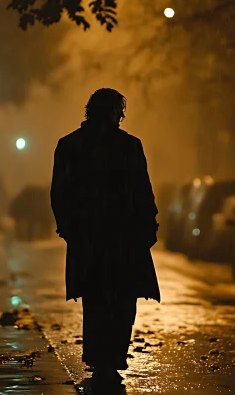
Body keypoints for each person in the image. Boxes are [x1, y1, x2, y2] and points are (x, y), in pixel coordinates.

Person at [50, 88, 160, 385]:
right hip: (125, 239)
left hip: (89, 238)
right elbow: (143, 191)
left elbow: (60, 193)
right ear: (112, 112)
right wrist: (148, 228)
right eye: (119, 112)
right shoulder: (129, 146)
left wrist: (69, 229)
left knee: (96, 299)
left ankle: (99, 355)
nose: (121, 118)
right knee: (123, 299)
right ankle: (113, 354)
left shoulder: (70, 145)